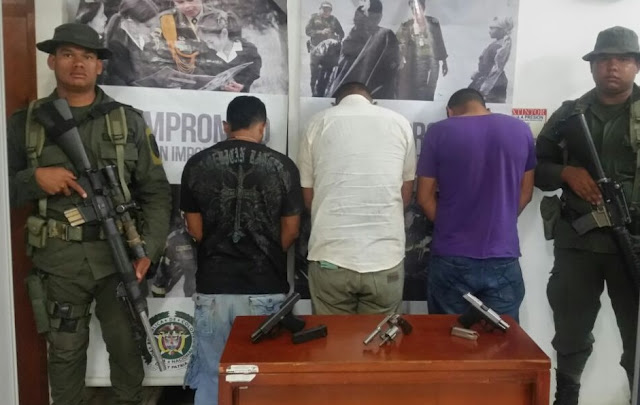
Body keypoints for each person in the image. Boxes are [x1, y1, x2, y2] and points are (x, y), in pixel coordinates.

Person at [7, 23, 171, 405]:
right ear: (52, 61)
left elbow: (156, 193)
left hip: (119, 260)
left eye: (88, 56)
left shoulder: (127, 121)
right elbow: (5, 189)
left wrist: (147, 250)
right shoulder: (25, 123)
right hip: (60, 262)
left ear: (100, 66)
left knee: (128, 351)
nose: (78, 63)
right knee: (65, 355)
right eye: (68, 54)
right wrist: (34, 179)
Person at [535, 26, 640, 404]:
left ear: (636, 66)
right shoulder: (569, 115)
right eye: (604, 59)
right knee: (570, 331)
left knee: (638, 338)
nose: (613, 66)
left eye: (623, 59)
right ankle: (567, 396)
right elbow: (537, 168)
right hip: (578, 243)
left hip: (635, 244)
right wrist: (566, 172)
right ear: (592, 66)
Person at [181, 96, 303, 405]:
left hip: (214, 288)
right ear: (263, 127)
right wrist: (268, 251)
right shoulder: (284, 166)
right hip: (264, 287)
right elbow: (291, 230)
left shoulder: (197, 164)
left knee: (213, 376)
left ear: (226, 126)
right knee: (259, 381)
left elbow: (195, 230)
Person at [416, 88, 535, 322]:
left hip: (451, 255)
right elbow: (526, 192)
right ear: (485, 106)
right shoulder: (520, 129)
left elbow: (424, 197)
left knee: (450, 335)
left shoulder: (439, 132)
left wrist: (449, 226)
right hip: (503, 253)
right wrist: (503, 221)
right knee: (503, 339)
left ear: (450, 111)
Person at [297, 82, 416, 314]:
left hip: (331, 257)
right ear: (372, 101)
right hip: (385, 259)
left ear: (336, 102)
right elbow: (406, 194)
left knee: (332, 336)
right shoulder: (400, 123)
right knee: (380, 337)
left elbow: (309, 198)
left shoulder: (317, 123)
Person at [325, 0, 400, 99]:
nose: (362, 15)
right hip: (346, 93)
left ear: (377, 17)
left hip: (371, 95)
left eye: (366, 11)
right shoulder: (353, 36)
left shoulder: (385, 35)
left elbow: (392, 67)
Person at [198, 10, 262, 92]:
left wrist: (242, 86)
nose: (209, 46)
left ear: (224, 33)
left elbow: (253, 75)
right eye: (205, 42)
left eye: (211, 42)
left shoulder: (249, 51)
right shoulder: (206, 54)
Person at [396, 0, 448, 101]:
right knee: (418, 89)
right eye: (413, 8)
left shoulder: (433, 23)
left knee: (431, 88)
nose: (416, 10)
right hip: (415, 62)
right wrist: (401, 58)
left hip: (433, 61)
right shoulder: (406, 25)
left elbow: (439, 41)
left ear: (424, 7)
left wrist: (444, 62)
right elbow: (398, 43)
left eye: (419, 7)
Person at [469, 17, 514, 104]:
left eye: (492, 28)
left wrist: (484, 88)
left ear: (502, 30)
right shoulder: (497, 44)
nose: (489, 31)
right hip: (488, 80)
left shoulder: (499, 46)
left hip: (493, 84)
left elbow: (496, 69)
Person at [305, 1, 344, 97]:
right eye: (324, 9)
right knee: (315, 72)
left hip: (329, 52)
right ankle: (313, 92)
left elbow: (341, 33)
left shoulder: (334, 19)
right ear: (320, 9)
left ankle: (322, 92)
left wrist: (336, 39)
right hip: (316, 50)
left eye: (329, 10)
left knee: (327, 71)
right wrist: (320, 32)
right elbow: (308, 31)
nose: (326, 12)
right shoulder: (314, 18)